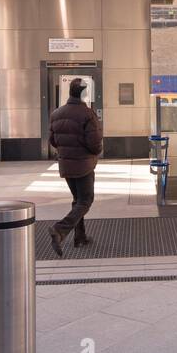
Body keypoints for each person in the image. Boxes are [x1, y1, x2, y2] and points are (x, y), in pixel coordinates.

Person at [48, 78, 103, 257]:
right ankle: (60, 230)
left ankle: (80, 237)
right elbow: (94, 144)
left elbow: (53, 141)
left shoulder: (56, 113)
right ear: (84, 93)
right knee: (86, 201)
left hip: (66, 164)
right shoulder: (87, 114)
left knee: (77, 200)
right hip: (84, 165)